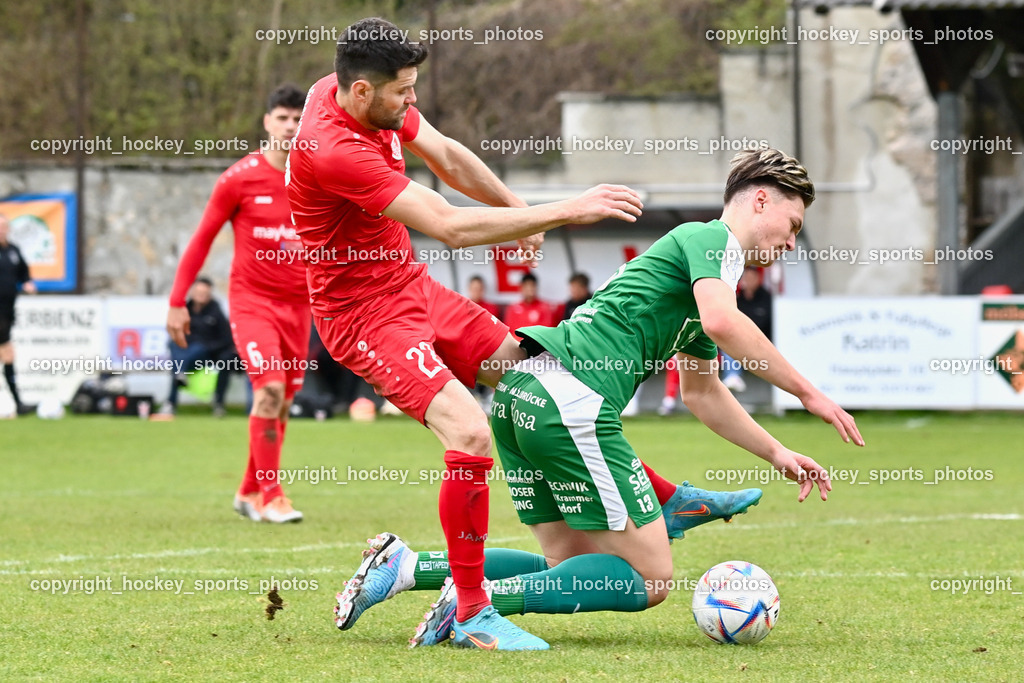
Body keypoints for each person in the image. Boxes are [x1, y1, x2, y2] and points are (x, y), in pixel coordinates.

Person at [288, 18, 755, 650]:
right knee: (470, 431)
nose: (413, 101)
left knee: (542, 383)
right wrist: (564, 208)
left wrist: (514, 208)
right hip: (361, 315)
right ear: (364, 92)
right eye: (404, 91)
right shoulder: (334, 146)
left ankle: (658, 499)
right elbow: (447, 226)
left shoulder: (355, 95)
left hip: (411, 288)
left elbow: (447, 155)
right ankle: (474, 613)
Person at [335, 148, 865, 650]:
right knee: (652, 578)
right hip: (570, 402)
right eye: (793, 225)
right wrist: (810, 394)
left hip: (524, 396)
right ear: (760, 199)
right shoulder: (713, 240)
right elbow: (724, 321)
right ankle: (476, 605)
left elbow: (703, 393)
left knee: (569, 564)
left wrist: (777, 453)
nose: (792, 243)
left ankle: (405, 568)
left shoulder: (696, 285)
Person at [166, 84, 310, 524]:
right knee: (266, 390)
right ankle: (271, 496)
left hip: (301, 309)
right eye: (281, 118)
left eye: (296, 119)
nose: (289, 126)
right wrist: (177, 301)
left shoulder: (316, 178)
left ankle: (248, 490)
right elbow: (202, 239)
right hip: (253, 303)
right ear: (267, 122)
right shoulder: (239, 179)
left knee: (282, 401)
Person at [161, 277, 237, 416]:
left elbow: (226, 339)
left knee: (190, 354)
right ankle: (180, 374)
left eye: (204, 293)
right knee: (173, 345)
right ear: (192, 293)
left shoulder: (216, 312)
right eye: (198, 292)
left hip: (208, 353)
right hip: (186, 352)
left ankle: (172, 397)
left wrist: (210, 347)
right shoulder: (184, 310)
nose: (201, 296)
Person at [0, 212, 37, 415]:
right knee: (7, 354)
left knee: (7, 355)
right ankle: (18, 403)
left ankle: (17, 404)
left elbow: (24, 273)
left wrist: (28, 283)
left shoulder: (13, 250)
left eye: (4, 227)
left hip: (7, 311)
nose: (1, 230)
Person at [720, 265, 773, 392]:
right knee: (730, 342)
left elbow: (764, 323)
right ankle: (733, 377)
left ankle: (732, 376)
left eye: (752, 277)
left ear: (759, 279)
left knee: (734, 342)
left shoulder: (766, 298)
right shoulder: (737, 298)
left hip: (760, 341)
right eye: (746, 277)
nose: (748, 280)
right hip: (738, 340)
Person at [502, 273, 557, 341]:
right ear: (521, 288)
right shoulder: (512, 308)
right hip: (517, 346)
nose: (529, 289)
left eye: (532, 285)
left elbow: (547, 331)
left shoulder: (545, 307)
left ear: (536, 287)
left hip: (538, 346)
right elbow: (509, 332)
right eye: (526, 286)